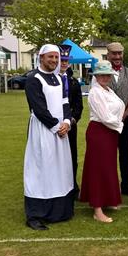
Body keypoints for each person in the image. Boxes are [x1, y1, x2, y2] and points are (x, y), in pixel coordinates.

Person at [23, 44, 74, 230]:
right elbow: (38, 108)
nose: (53, 60)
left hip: (61, 131)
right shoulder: (33, 79)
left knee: (60, 170)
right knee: (41, 170)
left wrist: (67, 123)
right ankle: (36, 214)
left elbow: (65, 103)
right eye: (50, 57)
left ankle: (59, 212)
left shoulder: (59, 79)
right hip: (43, 131)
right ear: (41, 57)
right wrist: (56, 126)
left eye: (56, 57)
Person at [80, 61, 124, 223]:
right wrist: (120, 125)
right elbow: (105, 117)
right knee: (98, 169)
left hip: (110, 133)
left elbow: (117, 109)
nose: (105, 77)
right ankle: (97, 209)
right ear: (96, 76)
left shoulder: (109, 90)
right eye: (102, 74)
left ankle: (107, 200)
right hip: (99, 132)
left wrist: (117, 126)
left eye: (107, 75)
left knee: (108, 167)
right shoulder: (95, 92)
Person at [106, 42, 128, 198]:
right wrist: (111, 118)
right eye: (114, 53)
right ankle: (108, 185)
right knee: (108, 154)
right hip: (107, 121)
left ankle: (126, 185)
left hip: (126, 120)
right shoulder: (102, 72)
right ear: (108, 54)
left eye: (120, 53)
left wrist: (124, 115)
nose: (117, 56)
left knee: (126, 153)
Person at [59, 45, 83, 199]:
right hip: (55, 125)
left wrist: (72, 120)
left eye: (66, 60)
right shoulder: (52, 80)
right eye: (62, 59)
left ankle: (73, 186)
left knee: (72, 156)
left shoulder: (73, 82)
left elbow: (79, 105)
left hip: (71, 125)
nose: (64, 63)